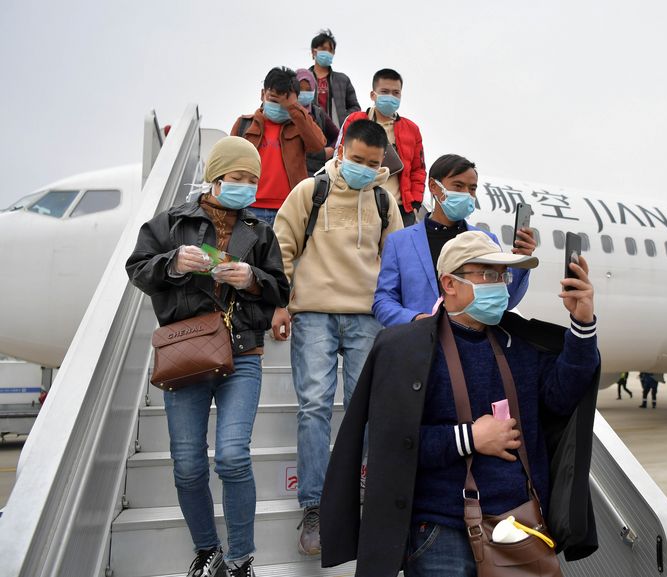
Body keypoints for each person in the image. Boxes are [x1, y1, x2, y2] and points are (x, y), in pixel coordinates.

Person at [319, 231, 601, 577]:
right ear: (449, 284)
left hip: (519, 525)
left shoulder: (520, 344)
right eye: (488, 274)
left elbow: (561, 398)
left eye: (503, 276)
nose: (500, 286)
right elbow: (393, 447)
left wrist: (582, 324)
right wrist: (470, 438)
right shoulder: (407, 350)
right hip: (442, 532)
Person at [125, 137, 291, 577]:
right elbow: (137, 269)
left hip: (243, 353)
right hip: (186, 351)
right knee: (187, 464)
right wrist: (174, 263)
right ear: (216, 178)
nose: (246, 186)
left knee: (233, 456)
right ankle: (207, 550)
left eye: (252, 179)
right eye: (238, 177)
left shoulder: (260, 231)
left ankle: (240, 558)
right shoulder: (170, 223)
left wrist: (252, 278)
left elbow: (281, 289)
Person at [270, 119, 403, 555]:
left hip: (367, 317)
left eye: (373, 163)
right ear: (341, 150)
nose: (364, 168)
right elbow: (282, 247)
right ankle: (314, 505)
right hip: (313, 314)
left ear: (382, 163)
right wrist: (281, 303)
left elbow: (395, 260)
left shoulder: (384, 200)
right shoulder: (311, 191)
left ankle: (356, 493)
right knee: (314, 406)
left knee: (364, 410)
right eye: (357, 159)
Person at [372, 153, 535, 327]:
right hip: (419, 338)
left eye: (472, 189)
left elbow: (506, 302)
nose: (466, 194)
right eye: (458, 186)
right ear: (434, 186)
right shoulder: (399, 242)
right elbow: (383, 302)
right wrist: (417, 320)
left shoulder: (487, 241)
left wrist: (522, 262)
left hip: (471, 338)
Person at [231, 66, 326, 226]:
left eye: (285, 104)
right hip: (249, 207)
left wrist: (294, 108)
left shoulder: (300, 126)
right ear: (263, 94)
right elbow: (227, 164)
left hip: (289, 208)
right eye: (274, 101)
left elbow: (318, 145)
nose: (279, 107)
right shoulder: (244, 124)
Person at [339, 68, 426, 227]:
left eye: (396, 93)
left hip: (399, 209)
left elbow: (418, 170)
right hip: (359, 202)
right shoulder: (355, 120)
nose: (390, 97)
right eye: (385, 92)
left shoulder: (411, 129)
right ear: (373, 95)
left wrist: (415, 203)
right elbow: (339, 158)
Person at [307, 28, 360, 127]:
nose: (327, 53)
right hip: (310, 130)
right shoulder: (303, 79)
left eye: (330, 50)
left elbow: (355, 107)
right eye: (323, 49)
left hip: (336, 131)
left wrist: (342, 119)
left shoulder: (342, 80)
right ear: (314, 52)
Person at [296, 68, 340, 176]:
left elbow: (339, 136)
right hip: (294, 171)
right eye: (300, 89)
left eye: (308, 89)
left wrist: (329, 151)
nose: (304, 93)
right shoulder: (285, 113)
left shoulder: (318, 113)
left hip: (316, 173)